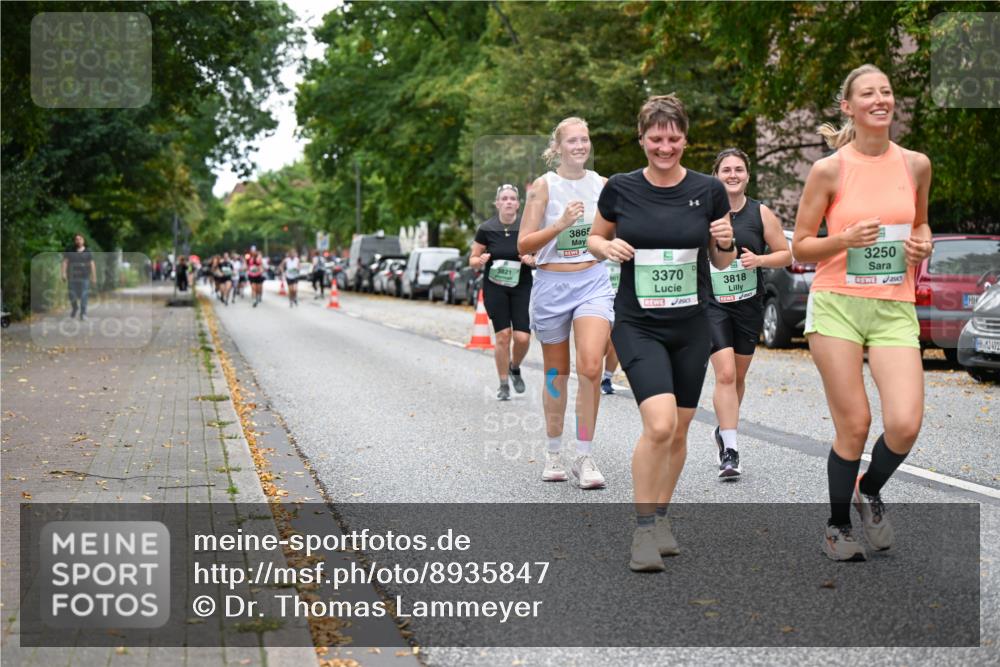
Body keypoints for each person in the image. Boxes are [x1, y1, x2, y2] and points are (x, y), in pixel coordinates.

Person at [588, 94, 735, 571]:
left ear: (685, 139)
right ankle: (643, 530)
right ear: (642, 139)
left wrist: (727, 243)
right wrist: (606, 248)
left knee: (680, 428)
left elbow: (722, 261)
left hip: (692, 325)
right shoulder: (621, 188)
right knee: (659, 425)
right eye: (656, 139)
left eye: (673, 138)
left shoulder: (709, 190)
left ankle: (662, 516)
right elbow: (594, 238)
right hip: (639, 324)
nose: (665, 147)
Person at [792, 64, 932, 562]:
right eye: (868, 93)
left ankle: (868, 488)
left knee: (905, 423)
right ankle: (837, 527)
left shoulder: (915, 165)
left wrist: (923, 243)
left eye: (886, 92)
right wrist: (844, 240)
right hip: (837, 306)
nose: (880, 100)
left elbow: (921, 225)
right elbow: (801, 245)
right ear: (848, 107)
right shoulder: (830, 170)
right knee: (855, 423)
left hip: (894, 305)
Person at [519, 117, 615, 490]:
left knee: (590, 367)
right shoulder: (543, 187)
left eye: (584, 139)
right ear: (557, 147)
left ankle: (585, 455)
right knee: (556, 374)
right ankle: (554, 452)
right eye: (572, 141)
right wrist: (559, 224)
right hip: (552, 285)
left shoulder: (603, 185)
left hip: (592, 281)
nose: (580, 146)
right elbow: (523, 244)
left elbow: (614, 230)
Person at [706, 148, 792, 479]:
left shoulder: (760, 213)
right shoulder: (705, 213)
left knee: (738, 377)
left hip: (747, 304)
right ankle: (730, 451)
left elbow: (785, 254)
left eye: (738, 169)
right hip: (712, 304)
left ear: (747, 175)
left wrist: (759, 260)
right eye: (726, 169)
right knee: (726, 375)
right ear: (716, 176)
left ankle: (723, 429)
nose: (732, 175)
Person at [470, 184, 536, 400]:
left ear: (518, 203)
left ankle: (514, 367)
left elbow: (540, 256)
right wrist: (479, 260)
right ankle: (503, 384)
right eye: (504, 198)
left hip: (521, 286)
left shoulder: (527, 228)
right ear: (497, 203)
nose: (508, 202)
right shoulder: (486, 228)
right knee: (503, 335)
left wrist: (532, 260)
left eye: (512, 198)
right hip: (495, 287)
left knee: (522, 337)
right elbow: (472, 259)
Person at [61, 233, 97, 320]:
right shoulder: (70, 250)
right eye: (77, 239)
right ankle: (75, 308)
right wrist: (63, 273)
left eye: (80, 239)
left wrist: (94, 276)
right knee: (71, 294)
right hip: (72, 276)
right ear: (75, 241)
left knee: (84, 295)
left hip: (84, 277)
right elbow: (65, 262)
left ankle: (83, 313)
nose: (78, 241)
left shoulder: (88, 251)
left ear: (83, 240)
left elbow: (92, 264)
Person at [602, 259, 622, 395]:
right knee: (602, 340)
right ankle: (590, 369)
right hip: (599, 297)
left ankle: (607, 379)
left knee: (616, 341)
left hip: (620, 297)